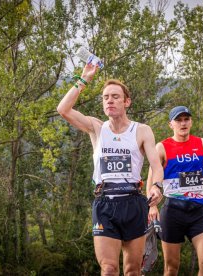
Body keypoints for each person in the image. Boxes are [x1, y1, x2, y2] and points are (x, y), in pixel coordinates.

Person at [57, 63, 163, 275]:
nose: (110, 100)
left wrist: (157, 187)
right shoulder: (96, 127)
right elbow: (63, 109)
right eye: (105, 97)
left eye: (115, 96)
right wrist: (84, 78)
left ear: (127, 102)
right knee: (108, 268)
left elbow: (156, 165)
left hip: (133, 203)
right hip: (105, 204)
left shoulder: (141, 130)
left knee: (132, 270)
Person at [147, 106, 203, 276]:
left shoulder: (201, 143)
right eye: (178, 120)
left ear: (191, 121)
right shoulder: (162, 147)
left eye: (186, 119)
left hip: (197, 212)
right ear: (171, 124)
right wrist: (152, 206)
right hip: (172, 213)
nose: (183, 123)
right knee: (171, 269)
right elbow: (151, 178)